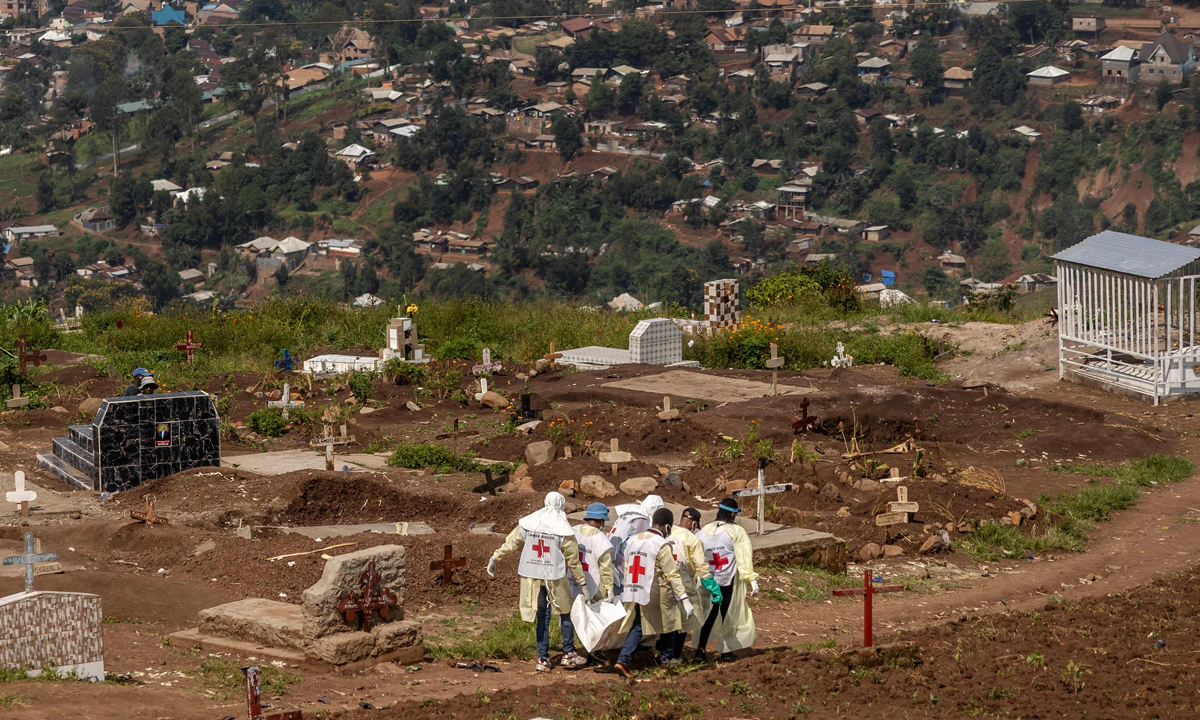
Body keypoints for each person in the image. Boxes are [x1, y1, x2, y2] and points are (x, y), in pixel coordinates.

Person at [488, 492, 594, 672]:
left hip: (534, 576)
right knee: (565, 612)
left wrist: (495, 556)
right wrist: (582, 582)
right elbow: (573, 559)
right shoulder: (563, 529)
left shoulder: (529, 524)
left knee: (542, 617)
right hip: (555, 577)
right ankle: (568, 654)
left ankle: (542, 659)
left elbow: (512, 542)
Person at [614, 508, 692, 677]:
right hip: (655, 589)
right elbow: (671, 573)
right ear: (667, 526)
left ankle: (623, 659)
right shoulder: (661, 544)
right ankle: (666, 662)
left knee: (638, 625)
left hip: (635, 588)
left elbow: (627, 568)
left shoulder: (633, 541)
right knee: (670, 621)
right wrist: (684, 597)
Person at [694, 498, 758, 661]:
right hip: (726, 582)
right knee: (726, 615)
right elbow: (744, 556)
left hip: (707, 582)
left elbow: (695, 556)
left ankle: (700, 650)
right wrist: (751, 579)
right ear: (732, 514)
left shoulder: (703, 531)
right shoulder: (736, 532)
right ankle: (726, 649)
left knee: (708, 614)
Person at [665, 507, 722, 662]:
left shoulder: (667, 532)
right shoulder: (692, 539)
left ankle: (661, 652)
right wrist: (713, 588)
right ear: (694, 523)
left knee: (667, 619)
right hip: (683, 584)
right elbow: (701, 567)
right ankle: (674, 656)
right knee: (685, 620)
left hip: (664, 582)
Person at [609, 494, 664, 594]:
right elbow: (639, 544)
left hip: (614, 555)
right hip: (623, 561)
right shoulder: (641, 519)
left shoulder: (630, 514)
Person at [571, 503, 614, 604]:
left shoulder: (574, 530)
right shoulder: (601, 539)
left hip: (573, 581)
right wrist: (609, 587)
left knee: (573, 612)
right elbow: (605, 567)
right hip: (594, 584)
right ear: (600, 521)